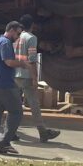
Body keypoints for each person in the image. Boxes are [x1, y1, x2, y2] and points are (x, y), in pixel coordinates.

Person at [13, 14, 60, 143]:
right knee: (34, 105)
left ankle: (10, 131)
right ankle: (43, 132)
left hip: (15, 75)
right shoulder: (32, 38)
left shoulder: (16, 39)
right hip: (27, 76)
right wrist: (34, 78)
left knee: (15, 106)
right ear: (32, 25)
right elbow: (32, 60)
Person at [0, 21, 29, 155]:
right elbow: (9, 62)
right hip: (4, 84)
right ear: (10, 30)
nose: (18, 36)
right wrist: (23, 64)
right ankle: (4, 143)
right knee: (16, 112)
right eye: (17, 33)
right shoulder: (5, 43)